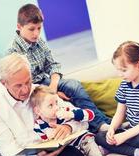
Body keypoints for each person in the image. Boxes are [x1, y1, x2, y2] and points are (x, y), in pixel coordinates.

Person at [0, 53, 94, 156]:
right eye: (18, 85)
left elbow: (82, 120)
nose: (25, 90)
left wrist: (68, 127)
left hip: (52, 150)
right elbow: (9, 152)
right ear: (3, 83)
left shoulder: (41, 92)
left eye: (28, 81)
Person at [6, 3, 110, 133]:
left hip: (47, 82)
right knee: (63, 99)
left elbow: (53, 65)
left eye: (39, 28)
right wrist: (49, 94)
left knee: (74, 85)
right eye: (32, 29)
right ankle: (100, 125)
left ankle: (103, 123)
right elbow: (24, 83)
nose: (36, 33)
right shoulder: (13, 51)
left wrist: (53, 88)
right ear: (19, 27)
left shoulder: (39, 41)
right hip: (33, 88)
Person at [30, 85, 115, 156]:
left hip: (85, 140)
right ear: (38, 111)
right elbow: (42, 140)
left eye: (56, 102)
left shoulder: (64, 111)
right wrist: (47, 139)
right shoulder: (38, 125)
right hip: (73, 148)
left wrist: (72, 114)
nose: (56, 107)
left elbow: (90, 115)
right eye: (50, 105)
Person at [95, 41, 139, 156]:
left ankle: (112, 147)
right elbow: (119, 113)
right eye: (118, 70)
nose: (120, 74)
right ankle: (137, 152)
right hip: (133, 129)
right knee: (99, 137)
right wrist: (112, 129)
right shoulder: (125, 85)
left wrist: (124, 135)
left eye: (123, 70)